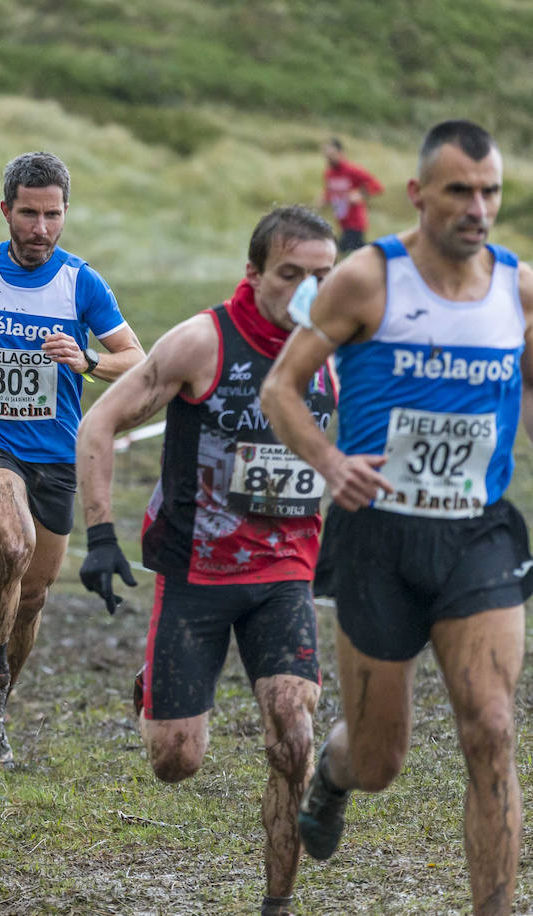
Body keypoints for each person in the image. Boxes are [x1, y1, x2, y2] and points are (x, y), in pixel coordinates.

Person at [261, 120, 533, 916]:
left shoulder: (518, 289)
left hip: (476, 535)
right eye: (459, 191)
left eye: (489, 192)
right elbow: (283, 389)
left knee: (490, 726)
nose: (476, 207)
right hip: (377, 536)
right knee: (380, 760)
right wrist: (331, 462)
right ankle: (333, 774)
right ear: (418, 195)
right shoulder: (366, 279)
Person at [78, 206, 338, 916]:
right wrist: (100, 534)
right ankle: (154, 689)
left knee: (294, 733)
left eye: (323, 275)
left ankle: (277, 903)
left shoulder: (335, 350)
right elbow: (100, 421)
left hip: (285, 571)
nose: (308, 290)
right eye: (291, 274)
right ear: (252, 275)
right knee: (176, 762)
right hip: (195, 575)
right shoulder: (203, 341)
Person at [0, 151, 143, 768]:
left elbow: (137, 357)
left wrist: (86, 362)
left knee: (33, 594)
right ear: (5, 211)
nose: (41, 228)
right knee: (13, 544)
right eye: (29, 213)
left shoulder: (82, 282)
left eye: (53, 215)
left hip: (57, 454)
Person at [318, 138, 383, 254]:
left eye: (332, 155)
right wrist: (323, 200)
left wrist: (360, 194)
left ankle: (383, 251)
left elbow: (377, 186)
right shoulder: (329, 173)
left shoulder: (353, 170)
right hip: (342, 221)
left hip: (356, 222)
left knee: (344, 251)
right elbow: (330, 192)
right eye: (327, 155)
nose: (329, 158)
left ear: (341, 153)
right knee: (357, 250)